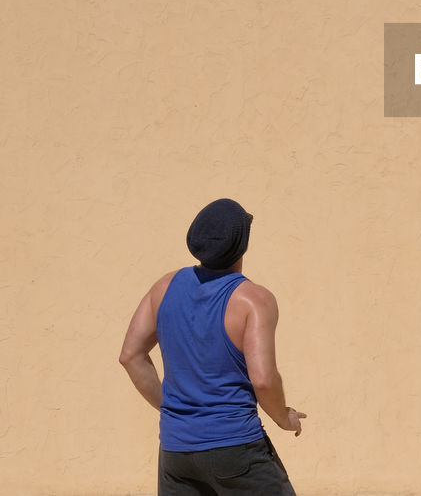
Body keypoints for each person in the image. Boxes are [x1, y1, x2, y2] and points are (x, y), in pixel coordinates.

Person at [119, 198, 307, 495]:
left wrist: (175, 410)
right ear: (242, 245)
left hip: (175, 454)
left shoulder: (163, 288)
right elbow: (263, 379)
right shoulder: (253, 300)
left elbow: (130, 356)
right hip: (236, 449)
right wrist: (285, 417)